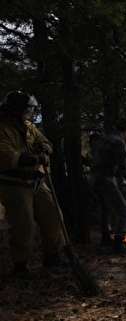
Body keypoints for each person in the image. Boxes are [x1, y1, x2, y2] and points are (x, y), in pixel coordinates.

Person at [0, 89, 66, 278]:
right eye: (26, 110)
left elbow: (45, 141)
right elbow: (4, 155)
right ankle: (20, 265)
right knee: (23, 224)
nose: (28, 114)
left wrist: (44, 148)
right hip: (13, 184)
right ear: (14, 109)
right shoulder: (2, 128)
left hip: (35, 182)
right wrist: (31, 159)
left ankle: (53, 257)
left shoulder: (29, 126)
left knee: (54, 215)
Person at [89, 118, 126, 254]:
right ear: (125, 131)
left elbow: (102, 158)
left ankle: (105, 239)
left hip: (93, 178)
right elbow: (122, 165)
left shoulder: (104, 139)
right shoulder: (119, 142)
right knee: (124, 211)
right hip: (105, 179)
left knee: (104, 208)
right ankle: (117, 246)